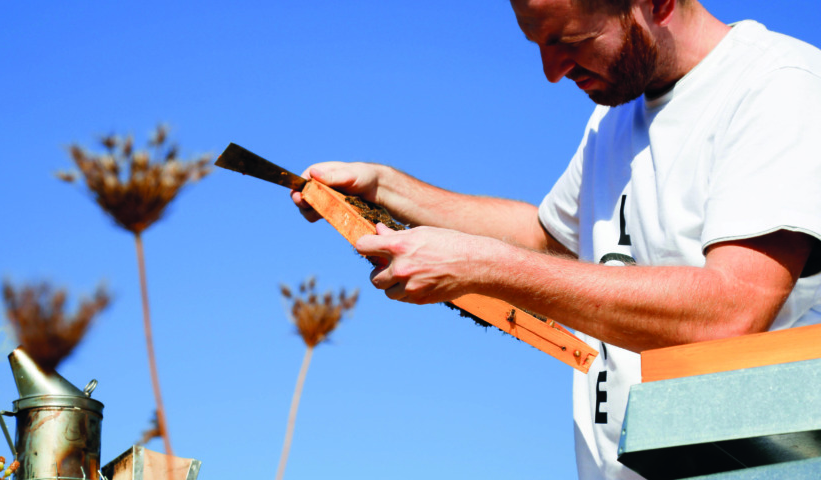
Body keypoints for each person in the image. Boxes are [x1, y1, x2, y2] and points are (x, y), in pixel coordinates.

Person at [291, 0, 821, 478]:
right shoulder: (613, 118)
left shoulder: (778, 84)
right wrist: (386, 187)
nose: (551, 72)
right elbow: (549, 238)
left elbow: (731, 310)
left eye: (569, 42)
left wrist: (488, 268)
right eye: (539, 45)